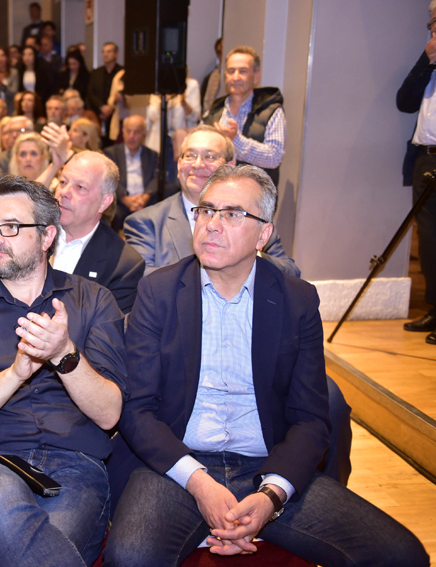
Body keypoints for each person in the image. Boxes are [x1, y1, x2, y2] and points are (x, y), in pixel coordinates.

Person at [104, 164, 429, 567]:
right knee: (131, 556)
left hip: (265, 465)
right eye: (206, 211)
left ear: (263, 235)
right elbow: (138, 410)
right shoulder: (159, 291)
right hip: (179, 465)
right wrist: (200, 484)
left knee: (401, 554)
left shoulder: (297, 300)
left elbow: (311, 418)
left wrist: (271, 496)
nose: (212, 225)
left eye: (232, 214)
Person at [0, 174, 126, 567]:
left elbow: (110, 413)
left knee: (41, 541)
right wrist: (15, 374)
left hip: (76, 463)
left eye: (10, 227)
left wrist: (64, 354)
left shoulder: (93, 300)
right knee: (2, 502)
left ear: (46, 236)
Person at [125, 125, 297, 278]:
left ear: (229, 167)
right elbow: (143, 280)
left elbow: (291, 272)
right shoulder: (147, 222)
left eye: (210, 156)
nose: (197, 164)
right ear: (179, 165)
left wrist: (248, 255)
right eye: (190, 155)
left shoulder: (252, 218)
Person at [53, 151, 144, 315]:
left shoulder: (124, 265)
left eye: (80, 187)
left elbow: (109, 329)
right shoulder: (31, 234)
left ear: (104, 202)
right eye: (62, 182)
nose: (64, 192)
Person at [397, 1, 436, 345]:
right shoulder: (430, 60)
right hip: (425, 158)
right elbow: (405, 101)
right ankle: (435, 308)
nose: (433, 27)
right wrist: (427, 60)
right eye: (432, 21)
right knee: (429, 239)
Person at [203, 45, 285, 185]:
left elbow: (274, 157)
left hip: (255, 194)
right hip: (218, 191)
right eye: (231, 71)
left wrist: (235, 140)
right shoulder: (215, 110)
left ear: (256, 77)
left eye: (243, 71)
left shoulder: (271, 111)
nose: (235, 77)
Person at [104, 115, 158, 229]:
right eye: (128, 131)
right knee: (111, 214)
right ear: (123, 132)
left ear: (144, 134)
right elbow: (109, 178)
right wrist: (125, 199)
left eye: (136, 132)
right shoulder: (111, 153)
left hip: (145, 202)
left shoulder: (152, 155)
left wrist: (145, 198)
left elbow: (156, 178)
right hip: (120, 202)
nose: (131, 136)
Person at [87, 42, 122, 143]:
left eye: (109, 51)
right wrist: (102, 107)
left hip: (116, 114)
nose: (105, 54)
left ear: (116, 54)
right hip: (99, 113)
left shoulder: (122, 72)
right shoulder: (96, 72)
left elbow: (122, 94)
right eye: (103, 52)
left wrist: (111, 108)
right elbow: (90, 92)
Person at [0, 115, 33, 180]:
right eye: (11, 131)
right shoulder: (0, 160)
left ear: (31, 132)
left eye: (20, 130)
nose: (14, 135)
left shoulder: (41, 156)